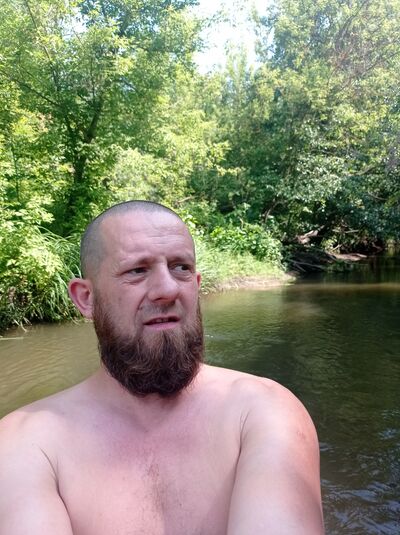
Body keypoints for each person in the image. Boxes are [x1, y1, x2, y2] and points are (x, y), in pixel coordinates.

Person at [0, 200, 324, 534]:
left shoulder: (261, 412)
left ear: (196, 284)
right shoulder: (27, 442)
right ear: (86, 298)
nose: (168, 289)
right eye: (137, 271)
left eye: (181, 267)